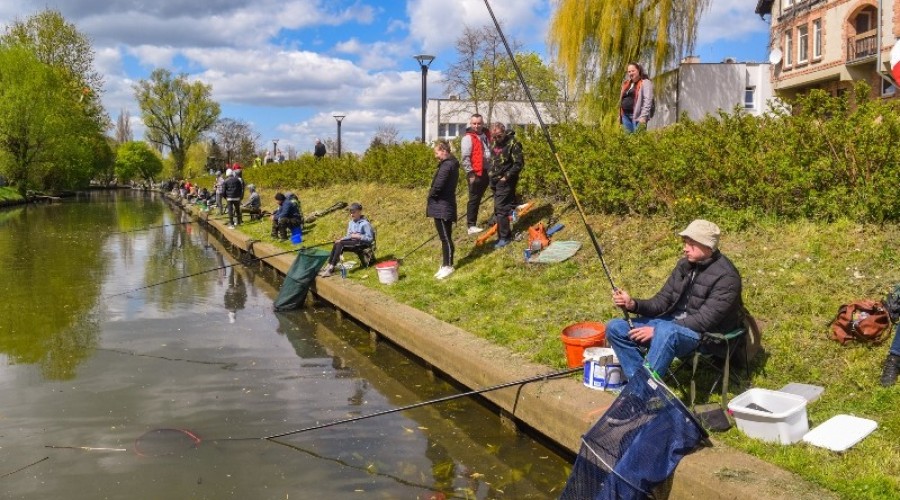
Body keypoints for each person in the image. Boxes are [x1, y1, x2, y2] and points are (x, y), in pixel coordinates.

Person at [605, 219, 744, 380]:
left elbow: (704, 321)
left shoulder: (727, 277)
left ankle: (644, 389)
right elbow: (661, 302)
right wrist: (633, 304)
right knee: (615, 327)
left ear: (708, 246)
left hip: (705, 336)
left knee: (667, 332)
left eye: (691, 244)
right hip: (669, 325)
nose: (685, 248)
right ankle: (638, 382)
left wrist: (657, 330)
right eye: (685, 242)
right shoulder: (684, 265)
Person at [488, 122, 524, 249]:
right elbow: (492, 160)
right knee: (501, 207)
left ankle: (505, 237)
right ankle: (508, 224)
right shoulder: (493, 143)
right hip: (494, 179)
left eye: (499, 136)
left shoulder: (513, 143)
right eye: (494, 136)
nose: (497, 139)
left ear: (504, 132)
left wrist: (506, 177)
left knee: (500, 208)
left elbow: (519, 164)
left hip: (505, 180)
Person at [428, 140, 460, 280]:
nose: (436, 156)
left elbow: (439, 185)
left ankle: (449, 266)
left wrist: (431, 195)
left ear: (444, 151)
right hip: (443, 205)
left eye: (437, 152)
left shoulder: (447, 165)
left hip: (443, 205)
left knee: (446, 238)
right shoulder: (449, 164)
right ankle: (445, 264)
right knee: (444, 238)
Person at [319, 202, 374, 277]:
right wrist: (341, 239)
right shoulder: (351, 223)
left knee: (341, 244)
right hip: (353, 242)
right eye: (350, 213)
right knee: (337, 243)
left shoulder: (365, 223)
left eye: (353, 212)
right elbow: (349, 236)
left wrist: (359, 236)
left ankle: (330, 269)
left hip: (362, 243)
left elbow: (370, 238)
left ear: (359, 212)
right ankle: (329, 266)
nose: (351, 215)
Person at [460, 113, 491, 235]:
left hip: (488, 171)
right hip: (475, 173)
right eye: (474, 123)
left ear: (482, 123)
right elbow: (465, 157)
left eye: (479, 123)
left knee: (498, 191)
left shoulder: (487, 135)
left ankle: (502, 215)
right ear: (471, 123)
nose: (477, 126)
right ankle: (471, 225)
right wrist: (470, 173)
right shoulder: (468, 138)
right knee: (474, 198)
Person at [619, 62, 654, 133]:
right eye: (629, 71)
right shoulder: (626, 84)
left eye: (633, 71)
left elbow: (647, 101)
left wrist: (643, 116)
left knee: (638, 138)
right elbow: (622, 100)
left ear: (638, 70)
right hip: (625, 116)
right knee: (628, 138)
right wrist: (620, 115)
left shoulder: (645, 82)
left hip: (638, 117)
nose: (631, 73)